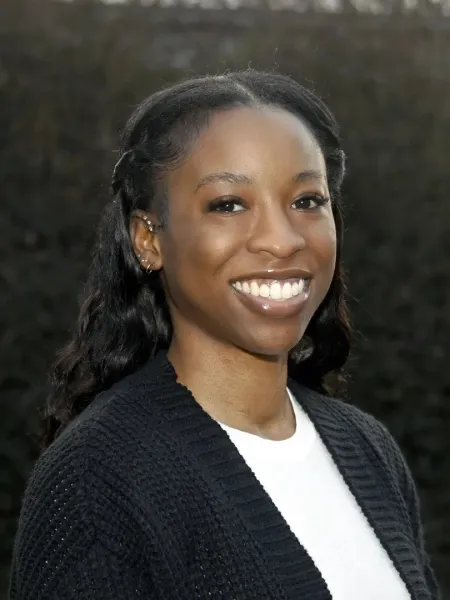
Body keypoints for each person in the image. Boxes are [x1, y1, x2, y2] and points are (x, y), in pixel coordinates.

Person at [9, 70, 440, 600]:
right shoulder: (97, 482)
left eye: (306, 201)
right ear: (148, 238)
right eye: (228, 204)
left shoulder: (368, 449)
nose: (282, 240)